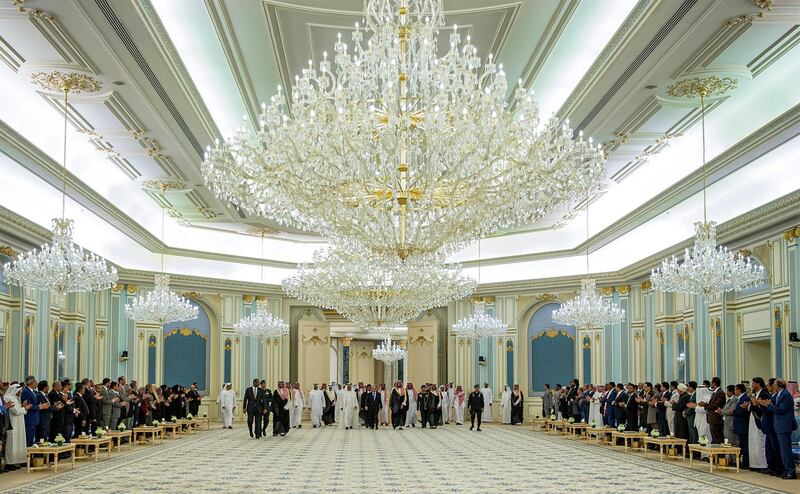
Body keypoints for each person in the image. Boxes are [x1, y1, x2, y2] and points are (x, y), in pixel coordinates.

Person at [756, 378, 798, 479]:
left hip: (784, 426)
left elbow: (781, 410)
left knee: (785, 450)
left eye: (774, 384)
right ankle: (786, 470)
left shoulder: (785, 395)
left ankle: (790, 472)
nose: (772, 386)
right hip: (778, 426)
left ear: (779, 385)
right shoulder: (779, 394)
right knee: (781, 450)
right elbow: (770, 404)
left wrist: (768, 405)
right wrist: (764, 403)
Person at [4, 384, 27, 469]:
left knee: (17, 443)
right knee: (12, 443)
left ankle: (16, 462)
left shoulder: (15, 398)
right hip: (12, 424)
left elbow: (18, 410)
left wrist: (22, 408)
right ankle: (10, 463)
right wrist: (24, 408)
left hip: (18, 423)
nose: (20, 392)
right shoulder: (9, 398)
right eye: (19, 391)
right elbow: (15, 411)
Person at [700, 377, 725, 444]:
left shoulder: (720, 393)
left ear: (714, 383)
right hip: (710, 418)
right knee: (713, 437)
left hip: (716, 419)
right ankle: (713, 453)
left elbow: (715, 405)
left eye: (711, 382)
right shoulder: (715, 393)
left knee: (717, 438)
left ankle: (718, 453)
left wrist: (704, 405)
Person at [732, 384, 750, 469]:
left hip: (743, 425)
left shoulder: (745, 398)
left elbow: (742, 412)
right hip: (739, 425)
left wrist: (733, 412)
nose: (734, 392)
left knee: (744, 445)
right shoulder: (739, 398)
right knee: (742, 444)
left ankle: (746, 463)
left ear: (739, 390)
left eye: (735, 390)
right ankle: (743, 462)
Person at [20, 376, 42, 446]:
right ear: (31, 383)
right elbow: (28, 406)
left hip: (34, 419)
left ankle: (31, 455)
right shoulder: (26, 391)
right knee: (28, 438)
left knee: (32, 438)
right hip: (29, 419)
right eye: (35, 381)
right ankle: (28, 455)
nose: (37, 383)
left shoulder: (33, 391)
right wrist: (39, 407)